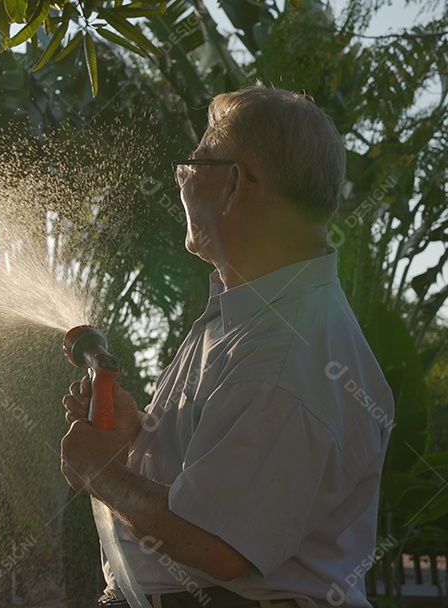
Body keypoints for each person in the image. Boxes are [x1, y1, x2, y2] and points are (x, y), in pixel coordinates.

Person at [59, 86, 394, 608]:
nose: (181, 178)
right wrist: (135, 438)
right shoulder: (247, 312)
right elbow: (211, 482)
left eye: (193, 163)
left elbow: (218, 543)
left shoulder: (287, 353)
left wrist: (102, 474)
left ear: (235, 183)